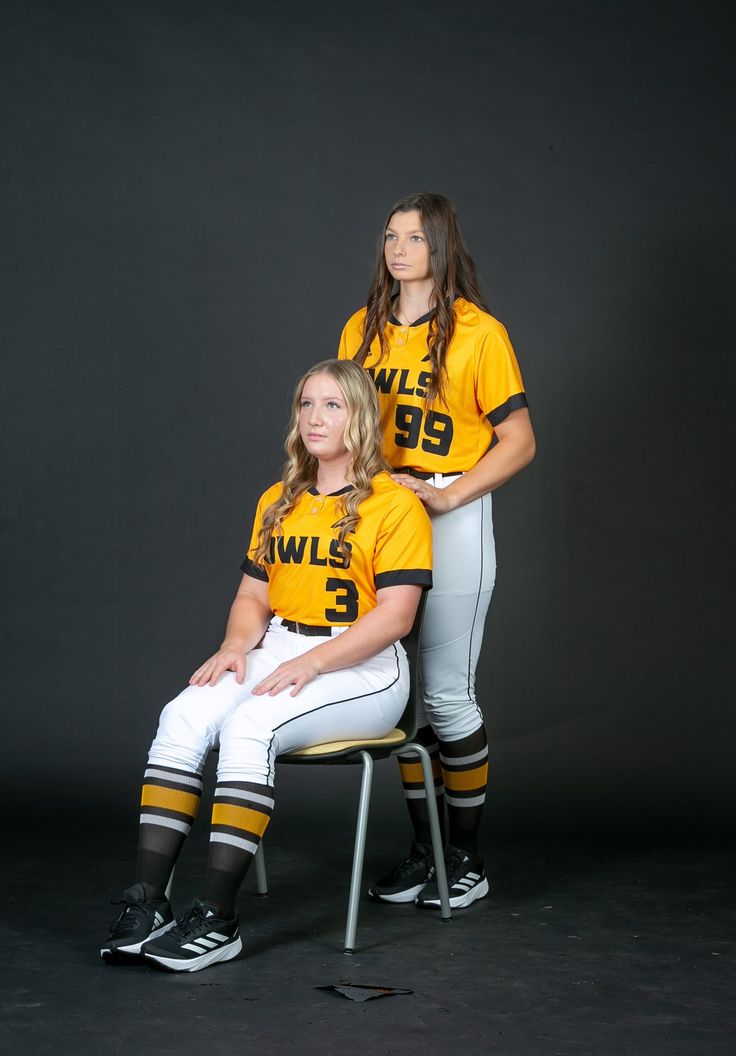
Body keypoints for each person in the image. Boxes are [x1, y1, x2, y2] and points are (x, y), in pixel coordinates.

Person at [101, 359, 432, 972]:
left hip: (365, 665)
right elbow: (253, 597)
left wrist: (311, 663)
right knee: (182, 716)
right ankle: (149, 903)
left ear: (360, 415)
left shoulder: (395, 505)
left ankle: (217, 919)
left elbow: (396, 617)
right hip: (281, 643)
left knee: (250, 726)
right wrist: (235, 647)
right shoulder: (279, 499)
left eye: (332, 405)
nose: (315, 417)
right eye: (307, 404)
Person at [338, 192, 536, 909]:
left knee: (449, 693)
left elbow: (520, 439)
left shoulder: (480, 333)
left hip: (447, 509)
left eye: (415, 238)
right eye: (390, 235)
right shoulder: (362, 328)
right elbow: (344, 426)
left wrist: (451, 497)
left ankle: (466, 856)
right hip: (383, 514)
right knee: (394, 689)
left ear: (442, 247)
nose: (398, 249)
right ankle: (425, 854)